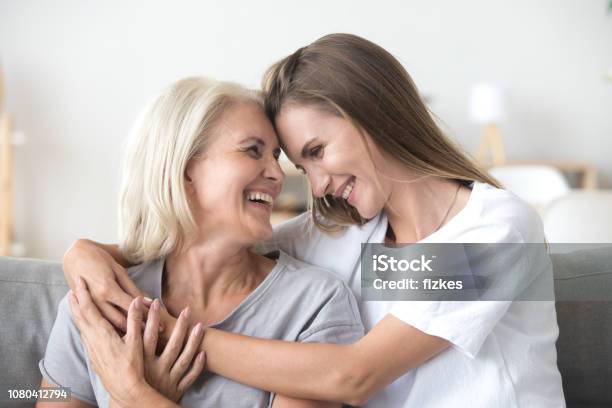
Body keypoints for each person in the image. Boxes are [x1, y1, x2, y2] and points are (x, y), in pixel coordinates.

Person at [61, 34, 565, 407]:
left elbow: (353, 375)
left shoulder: (496, 227)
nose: (316, 184)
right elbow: (207, 240)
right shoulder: (346, 236)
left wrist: (164, 341)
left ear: (372, 112)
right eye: (304, 166)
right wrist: (87, 252)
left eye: (318, 151)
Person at [36, 76, 363, 408]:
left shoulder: (312, 305)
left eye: (276, 156)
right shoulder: (99, 302)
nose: (278, 174)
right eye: (253, 150)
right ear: (185, 169)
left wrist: (136, 397)